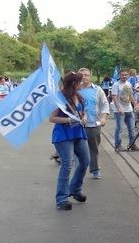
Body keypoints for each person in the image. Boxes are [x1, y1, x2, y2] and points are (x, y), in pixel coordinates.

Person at [48, 71, 90, 211]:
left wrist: (84, 118)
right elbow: (52, 118)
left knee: (85, 161)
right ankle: (61, 199)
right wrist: (68, 120)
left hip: (78, 132)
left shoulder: (79, 96)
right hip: (63, 135)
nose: (83, 82)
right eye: (80, 81)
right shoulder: (60, 98)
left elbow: (83, 112)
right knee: (67, 164)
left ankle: (75, 189)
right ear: (73, 83)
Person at [79, 68, 110, 179]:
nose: (84, 77)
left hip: (93, 125)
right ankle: (79, 172)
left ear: (90, 76)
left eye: (86, 75)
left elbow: (105, 104)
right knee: (78, 150)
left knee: (94, 149)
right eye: (81, 75)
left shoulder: (97, 89)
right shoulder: (74, 90)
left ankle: (95, 169)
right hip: (77, 125)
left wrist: (104, 118)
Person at [111, 69, 139, 152]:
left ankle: (132, 144)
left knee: (131, 128)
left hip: (129, 109)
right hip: (119, 111)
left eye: (125, 75)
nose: (124, 76)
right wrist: (119, 108)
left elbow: (130, 95)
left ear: (128, 75)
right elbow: (114, 97)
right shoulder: (116, 85)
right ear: (119, 75)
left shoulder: (129, 84)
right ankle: (118, 145)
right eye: (122, 75)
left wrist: (135, 104)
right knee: (119, 128)